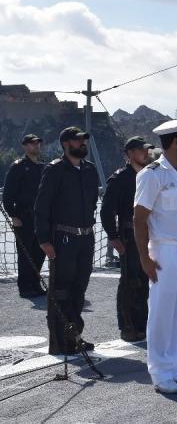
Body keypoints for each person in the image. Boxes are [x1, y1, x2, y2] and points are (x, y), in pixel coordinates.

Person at [133, 119, 177, 394]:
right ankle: (160, 372)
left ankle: (176, 367)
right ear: (176, 141)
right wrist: (144, 258)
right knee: (161, 312)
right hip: (165, 250)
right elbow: (139, 219)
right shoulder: (152, 174)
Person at [35, 127, 99, 354]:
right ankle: (60, 342)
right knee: (61, 290)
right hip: (63, 238)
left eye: (84, 141)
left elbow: (92, 203)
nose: (82, 144)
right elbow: (42, 206)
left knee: (79, 290)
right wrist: (44, 239)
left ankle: (75, 337)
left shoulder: (89, 170)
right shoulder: (55, 170)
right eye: (78, 141)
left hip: (85, 238)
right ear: (66, 144)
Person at [100, 136, 154, 342]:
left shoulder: (150, 176)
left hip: (150, 235)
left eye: (147, 150)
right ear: (130, 153)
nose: (146, 154)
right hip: (129, 236)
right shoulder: (120, 178)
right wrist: (113, 237)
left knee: (146, 280)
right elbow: (106, 211)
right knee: (130, 282)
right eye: (142, 150)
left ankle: (143, 323)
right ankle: (128, 326)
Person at [3, 134, 46, 298]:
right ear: (25, 146)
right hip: (23, 217)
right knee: (25, 253)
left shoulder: (43, 168)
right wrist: (13, 215)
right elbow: (7, 195)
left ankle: (35, 284)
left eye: (38, 143)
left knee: (39, 252)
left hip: (40, 217)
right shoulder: (18, 167)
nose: (36, 145)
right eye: (32, 143)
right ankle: (25, 287)